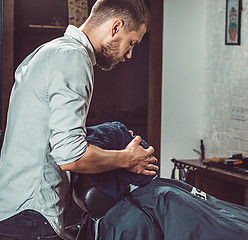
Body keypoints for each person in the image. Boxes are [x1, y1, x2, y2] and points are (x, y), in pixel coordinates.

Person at [0, 0, 158, 239]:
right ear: (116, 27)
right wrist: (128, 159)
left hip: (16, 207)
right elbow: (71, 155)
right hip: (31, 213)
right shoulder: (73, 58)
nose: (129, 54)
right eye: (131, 42)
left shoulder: (51, 50)